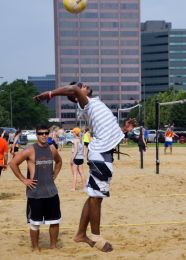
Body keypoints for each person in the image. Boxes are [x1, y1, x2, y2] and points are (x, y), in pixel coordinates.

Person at [33, 82, 137, 252]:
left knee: (93, 196)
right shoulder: (85, 103)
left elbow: (107, 130)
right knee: (96, 198)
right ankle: (96, 236)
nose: (84, 85)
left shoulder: (93, 103)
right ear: (76, 96)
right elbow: (72, 89)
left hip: (103, 155)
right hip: (100, 156)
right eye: (80, 86)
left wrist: (124, 130)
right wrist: (50, 94)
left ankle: (81, 234)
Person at [9, 125, 62, 251]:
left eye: (46, 133)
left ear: (48, 134)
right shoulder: (30, 150)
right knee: (35, 223)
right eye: (40, 133)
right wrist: (24, 179)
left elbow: (59, 162)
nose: (43, 135)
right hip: (35, 193)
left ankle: (53, 246)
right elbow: (13, 163)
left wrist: (54, 175)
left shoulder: (52, 149)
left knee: (54, 221)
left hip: (51, 192)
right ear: (36, 135)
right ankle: (35, 248)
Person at [70, 127, 86, 191]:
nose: (72, 133)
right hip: (81, 158)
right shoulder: (81, 140)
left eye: (73, 132)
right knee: (82, 173)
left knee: (75, 174)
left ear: (75, 133)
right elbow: (83, 151)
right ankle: (84, 187)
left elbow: (75, 150)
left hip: (76, 158)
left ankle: (73, 188)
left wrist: (72, 159)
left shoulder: (75, 140)